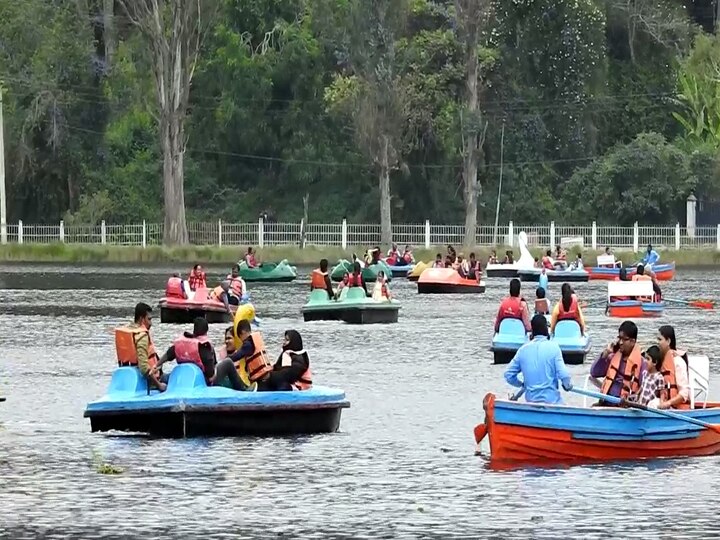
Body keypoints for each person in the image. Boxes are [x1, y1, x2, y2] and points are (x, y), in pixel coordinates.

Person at [504, 314, 572, 404]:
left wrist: (522, 384)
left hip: (531, 402)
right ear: (546, 329)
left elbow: (508, 375)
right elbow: (564, 375)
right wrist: (567, 386)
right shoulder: (554, 347)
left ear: (532, 330)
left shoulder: (522, 350)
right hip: (552, 402)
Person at [590, 320, 645, 403]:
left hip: (626, 406)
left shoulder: (641, 363)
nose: (621, 342)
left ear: (633, 342)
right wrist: (606, 353)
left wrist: (635, 398)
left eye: (624, 339)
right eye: (619, 338)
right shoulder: (612, 356)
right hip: (606, 402)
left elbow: (644, 387)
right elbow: (594, 373)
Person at [115, 303, 165, 391]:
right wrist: (159, 385)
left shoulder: (129, 330)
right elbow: (144, 368)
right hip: (150, 382)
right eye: (149, 319)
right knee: (173, 378)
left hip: (128, 377)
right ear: (142, 319)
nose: (151, 323)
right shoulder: (142, 336)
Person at [155, 318, 216, 385]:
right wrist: (216, 370)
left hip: (182, 378)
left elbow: (167, 355)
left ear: (194, 331)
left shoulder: (181, 344)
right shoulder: (205, 347)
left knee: (164, 377)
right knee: (226, 363)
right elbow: (211, 377)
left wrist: (157, 365)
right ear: (206, 331)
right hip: (198, 382)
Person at [225, 319, 273, 389]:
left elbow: (238, 355)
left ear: (242, 332)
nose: (241, 341)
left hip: (261, 379)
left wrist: (226, 360)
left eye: (240, 337)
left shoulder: (248, 344)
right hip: (266, 375)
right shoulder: (254, 340)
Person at [656, 325, 690, 410]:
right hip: (662, 404)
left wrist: (668, 403)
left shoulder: (678, 362)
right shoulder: (660, 360)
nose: (657, 342)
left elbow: (684, 393)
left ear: (668, 341)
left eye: (660, 339)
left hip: (675, 409)